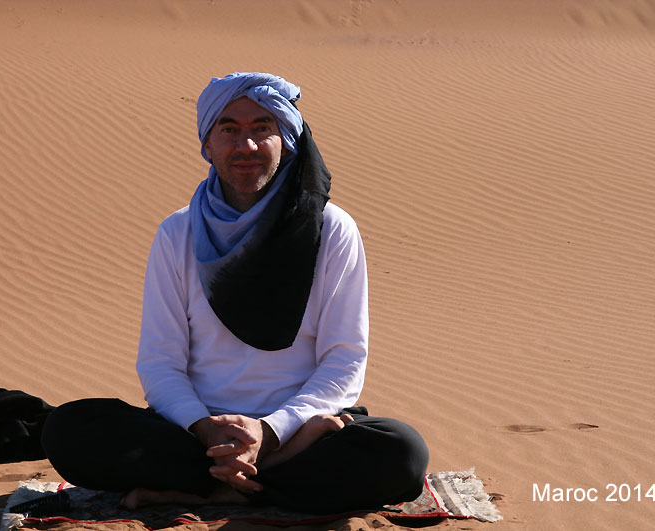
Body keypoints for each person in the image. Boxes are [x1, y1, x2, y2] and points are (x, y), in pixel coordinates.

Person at [41, 72, 428, 514]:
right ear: (207, 144)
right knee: (69, 428)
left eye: (263, 128)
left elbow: (344, 360)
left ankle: (213, 490)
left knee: (402, 452)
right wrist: (206, 429)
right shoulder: (178, 232)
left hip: (299, 430)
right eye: (229, 129)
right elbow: (160, 361)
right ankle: (261, 484)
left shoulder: (331, 229)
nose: (245, 146)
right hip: (194, 435)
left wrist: (272, 431)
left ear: (288, 139)